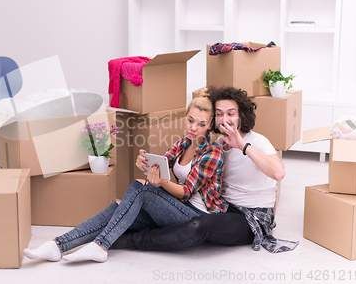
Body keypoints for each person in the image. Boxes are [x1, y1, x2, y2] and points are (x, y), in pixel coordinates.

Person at [23, 88, 226, 263]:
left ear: (209, 126)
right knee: (120, 206)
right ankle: (57, 245)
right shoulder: (183, 142)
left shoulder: (212, 153)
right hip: (178, 207)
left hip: (198, 216)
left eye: (200, 124)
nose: (193, 127)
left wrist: (161, 182)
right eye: (190, 120)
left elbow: (185, 192)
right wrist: (146, 162)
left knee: (141, 189)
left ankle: (101, 246)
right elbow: (162, 163)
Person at [111, 86, 299, 253]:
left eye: (231, 113)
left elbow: (278, 173)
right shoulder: (217, 145)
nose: (225, 119)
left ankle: (131, 241)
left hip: (251, 217)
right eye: (219, 114)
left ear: (241, 115)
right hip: (224, 209)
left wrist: (243, 145)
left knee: (200, 226)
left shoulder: (257, 141)